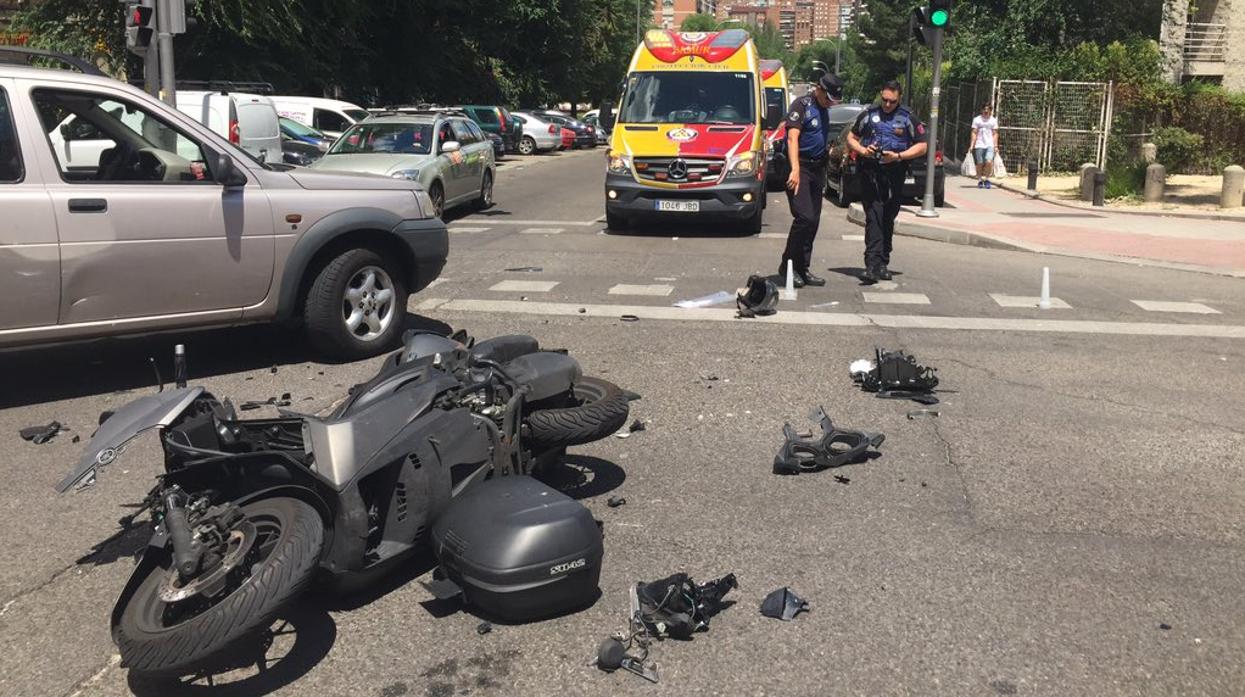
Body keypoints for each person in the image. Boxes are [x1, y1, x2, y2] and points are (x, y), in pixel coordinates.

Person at [846, 80, 927, 282]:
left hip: (895, 172)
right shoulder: (868, 115)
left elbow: (922, 146)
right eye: (884, 100)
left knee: (888, 218)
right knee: (874, 216)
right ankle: (872, 265)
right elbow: (851, 137)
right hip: (871, 171)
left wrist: (899, 156)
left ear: (899, 98)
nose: (888, 105)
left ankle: (883, 262)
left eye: (892, 101)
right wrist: (863, 150)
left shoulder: (908, 117)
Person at [779, 73, 843, 288]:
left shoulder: (824, 110)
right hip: (801, 167)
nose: (829, 103)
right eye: (828, 98)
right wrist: (795, 169)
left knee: (813, 221)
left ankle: (802, 267)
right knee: (804, 217)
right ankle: (787, 265)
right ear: (819, 89)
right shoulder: (801, 105)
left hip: (817, 168)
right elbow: (792, 138)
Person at [971, 103, 999, 188]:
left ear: (990, 111)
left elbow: (995, 134)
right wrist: (972, 145)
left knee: (989, 161)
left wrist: (995, 146)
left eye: (988, 109)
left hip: (989, 144)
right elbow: (974, 132)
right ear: (981, 110)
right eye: (984, 109)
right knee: (980, 163)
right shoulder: (977, 120)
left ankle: (987, 179)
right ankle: (980, 179)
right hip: (979, 144)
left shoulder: (993, 120)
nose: (986, 111)